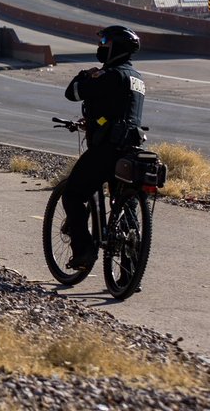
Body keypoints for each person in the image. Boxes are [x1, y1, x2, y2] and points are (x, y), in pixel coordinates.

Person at [60, 25, 146, 270]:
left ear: (116, 46)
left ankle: (83, 251)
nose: (101, 45)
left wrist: (83, 75)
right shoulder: (137, 79)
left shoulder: (109, 75)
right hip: (132, 149)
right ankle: (129, 273)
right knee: (127, 209)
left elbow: (72, 93)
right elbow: (116, 107)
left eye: (105, 40)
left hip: (107, 149)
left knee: (73, 194)